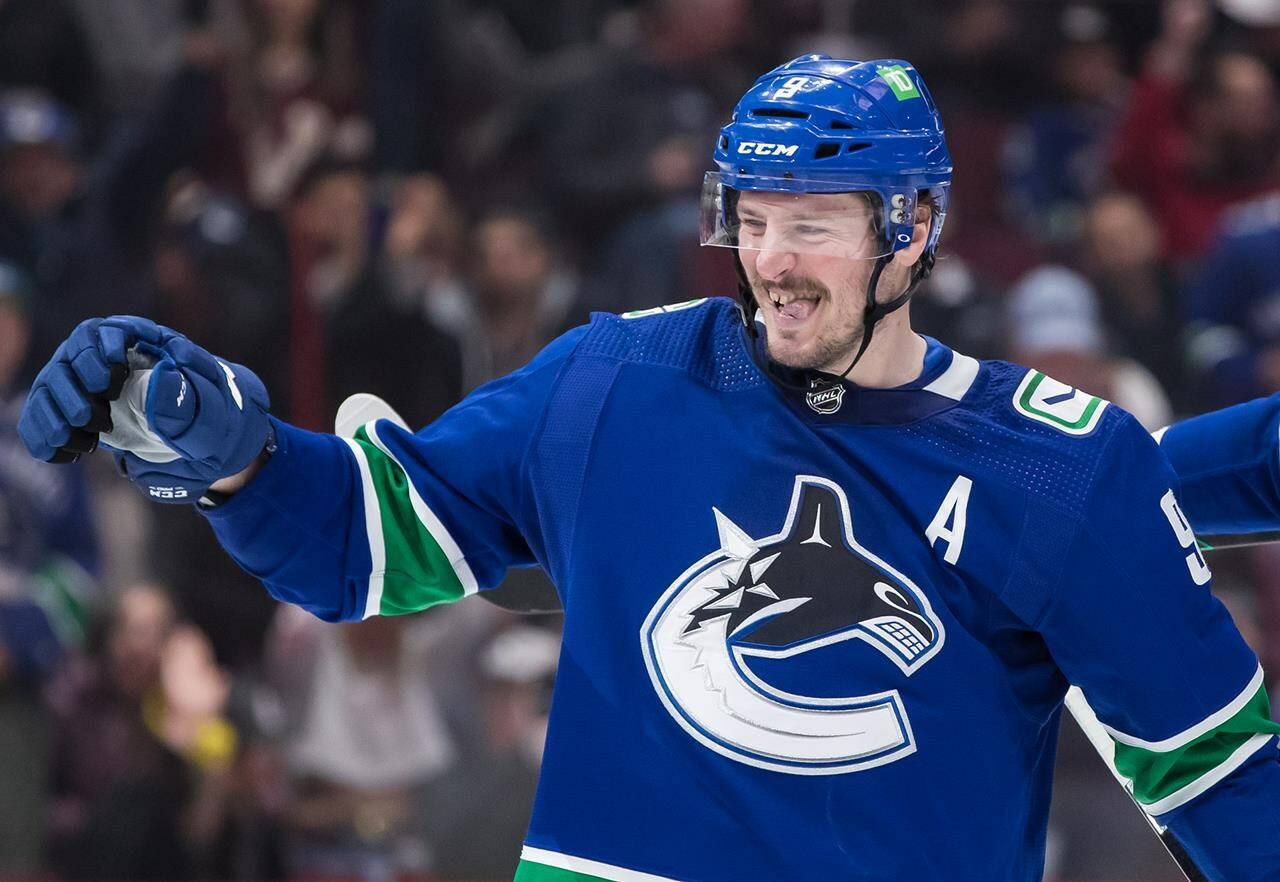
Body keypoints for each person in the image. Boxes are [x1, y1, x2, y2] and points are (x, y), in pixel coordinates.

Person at [18, 55, 1280, 881]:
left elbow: (1222, 783)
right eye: (755, 217)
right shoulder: (614, 382)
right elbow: (360, 546)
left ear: (915, 230)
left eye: (818, 223)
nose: (774, 259)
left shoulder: (1064, 470)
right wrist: (224, 452)